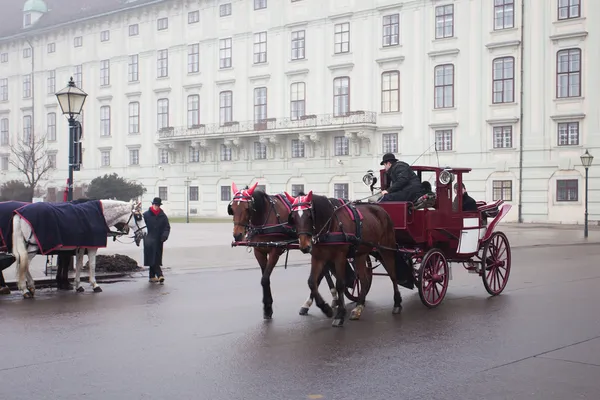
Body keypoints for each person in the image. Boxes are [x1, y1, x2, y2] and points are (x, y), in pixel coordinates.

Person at [143, 197, 171, 284]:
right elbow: (141, 227)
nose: (156, 206)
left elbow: (167, 227)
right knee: (152, 257)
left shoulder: (163, 216)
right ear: (152, 204)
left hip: (159, 240)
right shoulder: (146, 215)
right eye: (155, 205)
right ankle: (160, 275)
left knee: (156, 258)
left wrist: (164, 236)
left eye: (158, 205)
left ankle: (151, 276)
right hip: (148, 240)